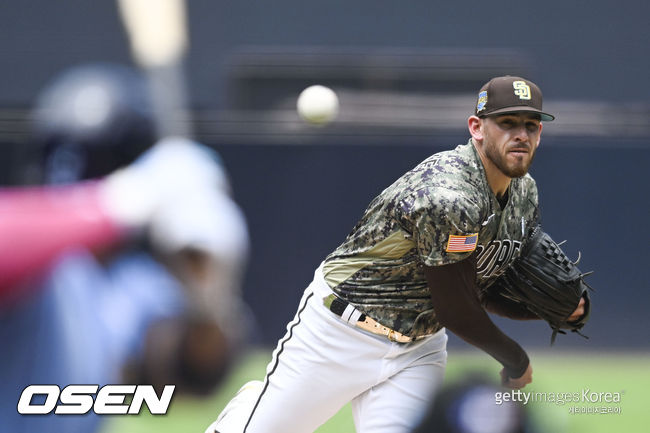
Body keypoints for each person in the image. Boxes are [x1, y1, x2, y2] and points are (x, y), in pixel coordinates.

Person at [207, 76, 587, 433]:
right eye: (507, 122)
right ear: (477, 127)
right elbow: (456, 308)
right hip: (341, 331)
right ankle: (249, 410)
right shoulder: (447, 195)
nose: (521, 135)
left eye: (531, 125)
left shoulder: (524, 192)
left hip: (417, 348)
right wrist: (514, 358)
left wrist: (554, 308)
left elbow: (479, 287)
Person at [0, 64, 249, 433]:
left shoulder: (122, 283)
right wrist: (124, 200)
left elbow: (186, 375)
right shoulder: (34, 258)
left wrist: (210, 298)